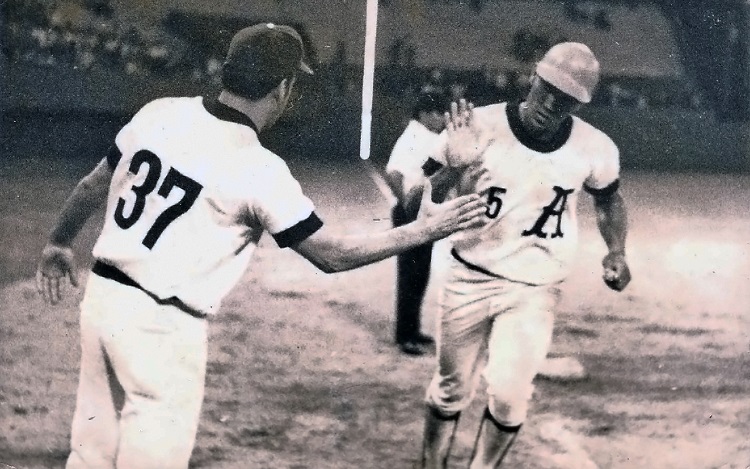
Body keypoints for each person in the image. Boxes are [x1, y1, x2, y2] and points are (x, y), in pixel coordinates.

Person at [35, 23, 487, 469]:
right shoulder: (258, 166)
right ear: (282, 88)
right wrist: (423, 231)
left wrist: (59, 241)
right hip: (163, 328)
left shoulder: (160, 110)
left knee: (92, 450)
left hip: (103, 299)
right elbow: (330, 255)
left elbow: (94, 183)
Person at [411, 42, 632, 467]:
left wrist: (617, 250)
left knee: (511, 396)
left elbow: (608, 199)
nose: (551, 102)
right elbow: (412, 205)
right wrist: (454, 170)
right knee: (451, 388)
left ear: (580, 104)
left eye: (566, 97)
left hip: (535, 287)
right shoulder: (475, 125)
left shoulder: (595, 147)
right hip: (469, 276)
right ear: (534, 75)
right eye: (547, 87)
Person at [384, 91, 449, 355]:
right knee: (410, 275)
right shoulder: (413, 136)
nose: (441, 118)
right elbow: (393, 174)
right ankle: (404, 336)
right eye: (436, 113)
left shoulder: (427, 136)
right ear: (423, 115)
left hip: (422, 214)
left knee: (420, 274)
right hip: (411, 214)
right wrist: (407, 206)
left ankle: (413, 330)